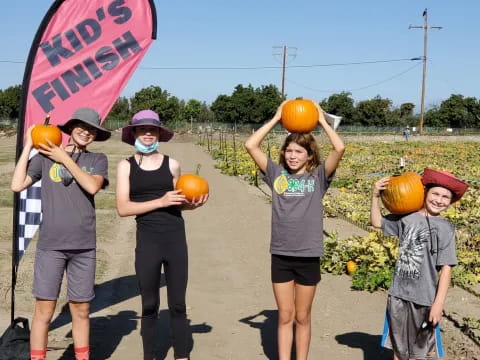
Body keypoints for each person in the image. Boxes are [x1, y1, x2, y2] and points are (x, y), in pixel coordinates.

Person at [244, 100, 345, 360]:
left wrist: (321, 121)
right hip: (281, 253)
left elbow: (340, 148)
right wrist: (277, 118)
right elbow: (250, 145)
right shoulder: (276, 174)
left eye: (299, 152)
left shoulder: (318, 177)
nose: (292, 156)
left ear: (310, 156)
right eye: (289, 151)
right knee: (285, 316)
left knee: (302, 316)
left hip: (308, 254)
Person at [11, 108, 111, 360]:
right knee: (44, 311)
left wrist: (63, 157)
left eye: (92, 130)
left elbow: (91, 186)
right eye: (81, 126)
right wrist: (29, 146)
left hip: (83, 247)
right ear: (71, 127)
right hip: (51, 246)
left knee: (81, 309)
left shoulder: (98, 160)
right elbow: (16, 185)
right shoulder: (45, 159)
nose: (86, 132)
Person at [115, 110, 208, 360]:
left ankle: (181, 355)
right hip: (148, 241)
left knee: (178, 304)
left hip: (175, 238)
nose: (148, 133)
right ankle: (150, 355)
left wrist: (191, 205)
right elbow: (123, 208)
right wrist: (161, 200)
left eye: (152, 129)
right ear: (133, 133)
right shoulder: (125, 166)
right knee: (149, 305)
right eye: (142, 129)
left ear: (159, 134)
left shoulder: (172, 164)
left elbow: (177, 202)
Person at [371, 168, 469, 360]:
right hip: (398, 294)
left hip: (425, 299)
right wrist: (375, 196)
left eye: (445, 197)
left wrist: (438, 303)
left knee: (424, 352)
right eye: (435, 194)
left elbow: (447, 268)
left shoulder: (446, 229)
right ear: (425, 193)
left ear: (450, 202)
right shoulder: (406, 218)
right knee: (398, 350)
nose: (439, 200)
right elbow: (376, 223)